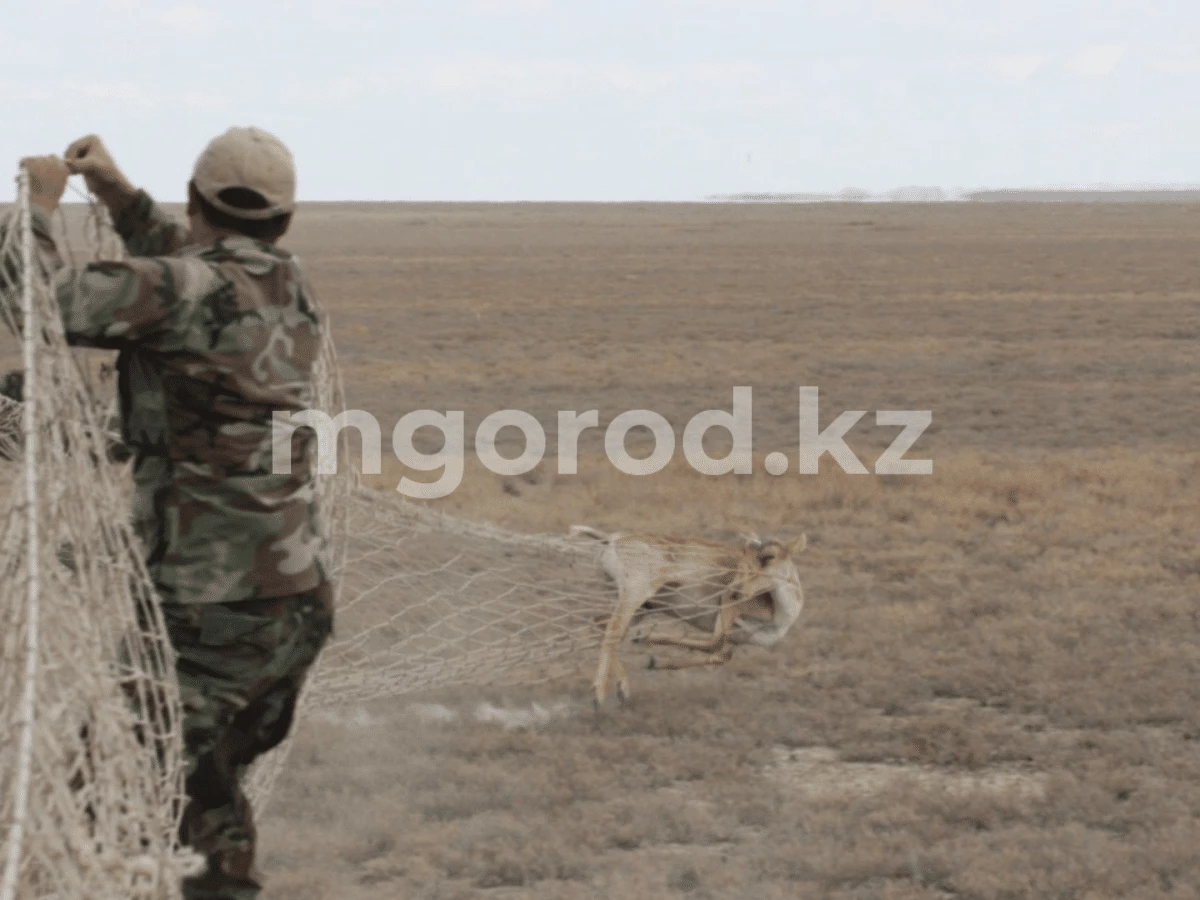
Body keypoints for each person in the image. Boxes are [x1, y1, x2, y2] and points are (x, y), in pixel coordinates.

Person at [6, 129, 334, 900]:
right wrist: (119, 196)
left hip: (207, 610)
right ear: (284, 220)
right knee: (202, 797)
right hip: (293, 603)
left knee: (112, 793)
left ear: (195, 202)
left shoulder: (186, 289)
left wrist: (39, 208)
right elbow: (190, 273)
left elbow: (39, 301)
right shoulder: (289, 285)